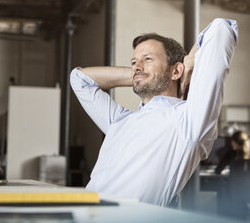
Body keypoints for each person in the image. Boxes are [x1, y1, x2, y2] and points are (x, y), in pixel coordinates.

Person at [70, 18, 238, 206]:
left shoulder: (188, 121)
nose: (136, 66)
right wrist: (140, 75)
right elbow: (79, 79)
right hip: (81, 213)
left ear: (176, 71)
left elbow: (222, 28)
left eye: (148, 59)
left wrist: (188, 62)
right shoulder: (120, 120)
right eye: (134, 61)